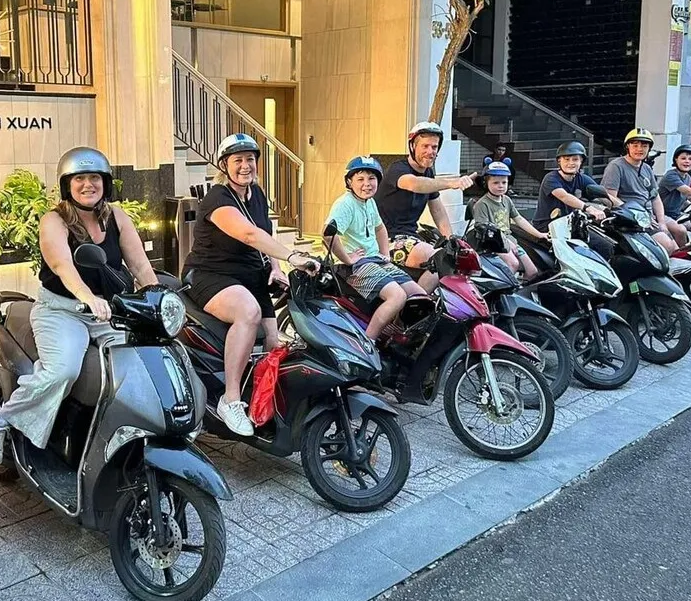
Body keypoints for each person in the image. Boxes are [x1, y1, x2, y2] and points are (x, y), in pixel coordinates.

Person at [0, 147, 158, 462]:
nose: (88, 185)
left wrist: (158, 297)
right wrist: (88, 297)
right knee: (63, 371)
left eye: (95, 178)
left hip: (108, 313)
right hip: (61, 312)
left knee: (136, 367)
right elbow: (62, 265)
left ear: (105, 182)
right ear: (67, 185)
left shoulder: (117, 216)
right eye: (79, 179)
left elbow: (140, 266)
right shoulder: (54, 220)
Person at [182, 134, 318, 436]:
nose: (246, 166)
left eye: (250, 159)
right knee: (248, 313)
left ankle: (266, 400)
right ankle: (230, 400)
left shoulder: (256, 194)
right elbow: (248, 235)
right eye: (238, 160)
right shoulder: (217, 198)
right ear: (224, 165)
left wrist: (276, 268)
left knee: (275, 341)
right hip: (210, 274)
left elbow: (264, 234)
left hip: (250, 275)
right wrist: (294, 255)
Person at [325, 157, 426, 340]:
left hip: (375, 259)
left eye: (371, 178)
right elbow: (327, 234)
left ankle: (391, 334)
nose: (367, 184)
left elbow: (380, 227)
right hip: (356, 266)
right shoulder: (345, 204)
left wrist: (385, 253)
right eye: (360, 179)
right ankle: (368, 343)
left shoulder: (369, 202)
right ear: (349, 181)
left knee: (419, 295)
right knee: (397, 296)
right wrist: (347, 258)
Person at [375, 122, 477, 291]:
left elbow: (437, 210)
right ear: (412, 147)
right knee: (440, 260)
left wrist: (451, 239)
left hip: (410, 237)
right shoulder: (397, 169)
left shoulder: (428, 173)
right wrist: (453, 182)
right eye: (425, 146)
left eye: (434, 147)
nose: (430, 151)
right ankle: (415, 308)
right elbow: (415, 184)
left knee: (459, 257)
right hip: (387, 240)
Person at [602, 128, 688, 252]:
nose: (639, 149)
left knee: (680, 231)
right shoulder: (616, 166)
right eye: (635, 145)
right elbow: (610, 198)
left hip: (649, 215)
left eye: (644, 145)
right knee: (668, 245)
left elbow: (655, 197)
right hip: (633, 218)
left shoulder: (646, 168)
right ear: (627, 147)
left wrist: (662, 222)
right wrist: (638, 216)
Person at [471, 159, 547, 279]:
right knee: (513, 264)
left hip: (510, 241)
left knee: (532, 271)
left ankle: (519, 293)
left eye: (504, 182)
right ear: (486, 183)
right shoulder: (482, 204)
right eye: (496, 183)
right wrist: (506, 242)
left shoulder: (506, 200)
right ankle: (500, 295)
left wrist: (539, 234)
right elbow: (483, 229)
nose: (500, 186)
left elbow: (519, 219)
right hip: (493, 244)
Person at [532, 141, 617, 232]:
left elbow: (603, 194)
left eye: (575, 159)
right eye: (566, 159)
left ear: (581, 162)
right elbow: (564, 196)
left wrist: (624, 207)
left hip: (569, 224)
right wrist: (588, 208)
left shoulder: (582, 178)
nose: (571, 163)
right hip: (547, 226)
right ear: (559, 161)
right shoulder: (551, 178)